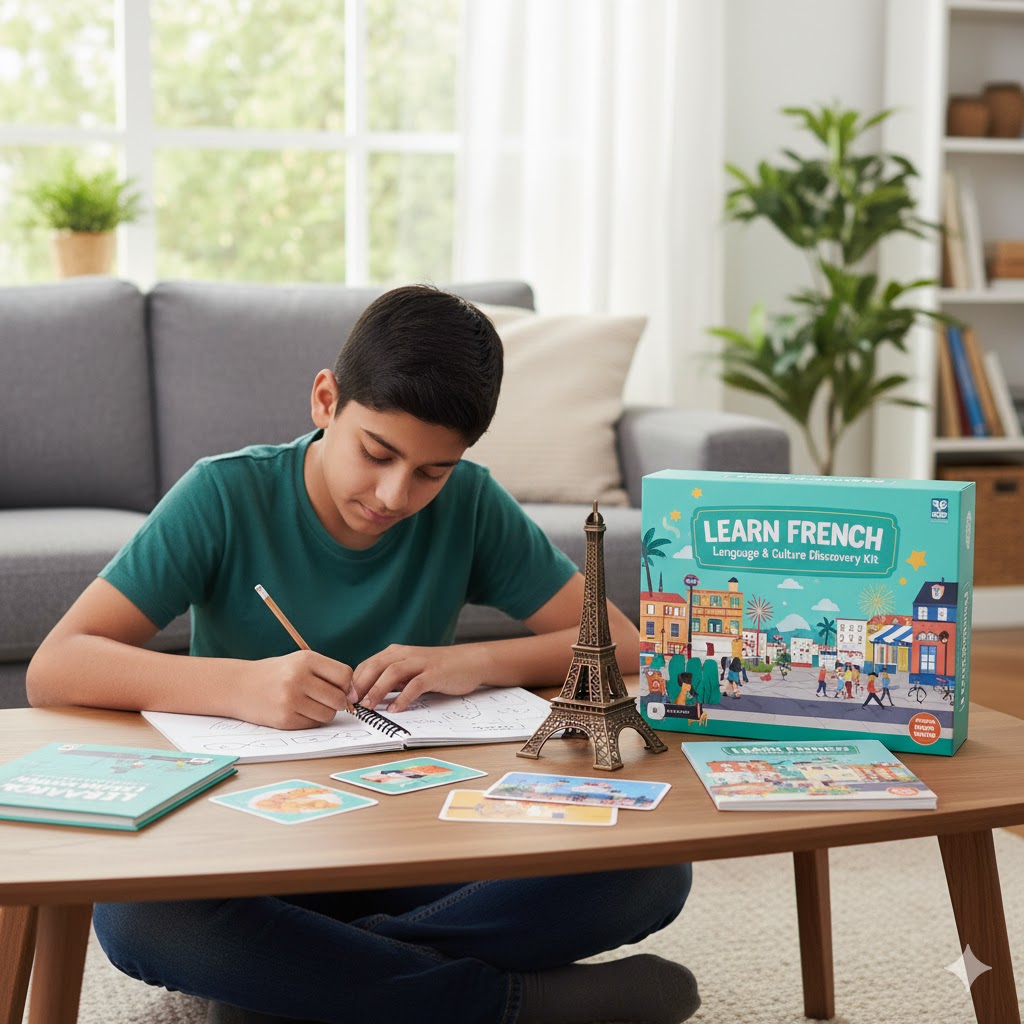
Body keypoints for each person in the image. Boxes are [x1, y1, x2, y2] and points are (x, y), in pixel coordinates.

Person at [26, 286, 698, 1024]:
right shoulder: (224, 494)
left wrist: (471, 661)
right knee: (140, 918)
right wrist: (240, 687)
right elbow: (56, 668)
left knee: (651, 868)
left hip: (427, 845)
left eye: (429, 472)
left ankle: (295, 988)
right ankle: (503, 1004)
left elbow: (621, 643)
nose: (392, 493)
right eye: (376, 453)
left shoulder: (468, 503)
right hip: (257, 850)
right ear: (325, 400)